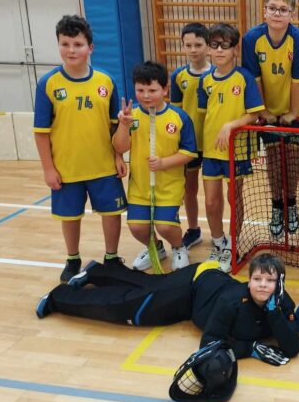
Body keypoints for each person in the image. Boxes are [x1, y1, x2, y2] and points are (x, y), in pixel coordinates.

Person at [35, 253, 299, 365]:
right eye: (257, 279)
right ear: (249, 280)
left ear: (280, 283)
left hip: (205, 281)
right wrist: (250, 349)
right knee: (129, 307)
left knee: (149, 286)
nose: (262, 285)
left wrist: (274, 313)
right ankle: (59, 297)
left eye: (270, 280)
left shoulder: (283, 302)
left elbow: (292, 348)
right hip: (191, 288)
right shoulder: (231, 301)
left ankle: (96, 272)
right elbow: (208, 344)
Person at [33, 15, 127, 282]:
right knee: (70, 216)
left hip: (103, 165)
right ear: (58, 45)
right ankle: (72, 259)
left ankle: (112, 257)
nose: (71, 50)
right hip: (67, 168)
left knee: (111, 214)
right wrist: (48, 169)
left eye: (78, 44)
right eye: (65, 44)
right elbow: (41, 132)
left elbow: (115, 126)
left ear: (90, 48)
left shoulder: (106, 81)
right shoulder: (48, 84)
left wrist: (118, 156)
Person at [242, 0, 299, 238]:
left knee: (292, 159)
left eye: (283, 10)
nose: (277, 13)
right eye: (272, 8)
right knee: (273, 159)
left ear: (292, 14)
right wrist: (263, 110)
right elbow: (254, 78)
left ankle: (291, 203)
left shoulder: (298, 40)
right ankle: (276, 206)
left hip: (294, 106)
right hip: (268, 107)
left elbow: (297, 80)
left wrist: (293, 112)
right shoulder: (252, 38)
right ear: (264, 11)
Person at [113, 61, 197, 271]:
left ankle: (178, 247)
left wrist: (163, 163)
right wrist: (123, 125)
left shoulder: (179, 117)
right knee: (137, 227)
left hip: (169, 186)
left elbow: (189, 153)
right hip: (140, 187)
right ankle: (155, 248)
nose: (146, 95)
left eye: (152, 90)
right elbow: (120, 147)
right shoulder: (130, 116)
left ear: (165, 89)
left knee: (165, 226)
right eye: (140, 90)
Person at [198, 23, 265, 272]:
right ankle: (219, 243)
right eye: (214, 45)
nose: (219, 50)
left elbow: (254, 114)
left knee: (233, 199)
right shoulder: (205, 80)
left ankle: (233, 246)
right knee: (211, 202)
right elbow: (204, 114)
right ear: (209, 49)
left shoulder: (244, 78)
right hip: (211, 151)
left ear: (235, 50)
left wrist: (230, 126)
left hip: (236, 150)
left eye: (225, 45)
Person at [170, 23, 214, 251]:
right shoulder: (178, 76)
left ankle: (219, 234)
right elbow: (175, 113)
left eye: (198, 44)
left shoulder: (217, 74)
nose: (193, 49)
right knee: (190, 189)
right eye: (188, 45)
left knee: (213, 194)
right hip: (189, 144)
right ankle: (194, 229)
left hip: (213, 143)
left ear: (208, 46)